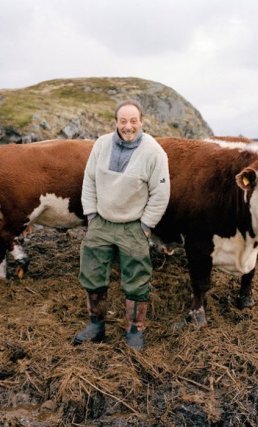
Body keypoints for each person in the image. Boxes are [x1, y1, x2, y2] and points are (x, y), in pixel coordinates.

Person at [74, 99, 170, 350]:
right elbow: (89, 181)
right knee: (92, 273)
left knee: (137, 280)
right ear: (116, 122)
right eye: (123, 121)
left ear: (142, 122)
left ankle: (135, 330)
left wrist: (146, 225)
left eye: (133, 121)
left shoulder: (154, 152)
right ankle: (96, 325)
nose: (128, 126)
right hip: (102, 222)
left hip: (133, 226)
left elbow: (161, 193)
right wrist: (92, 215)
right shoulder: (101, 145)